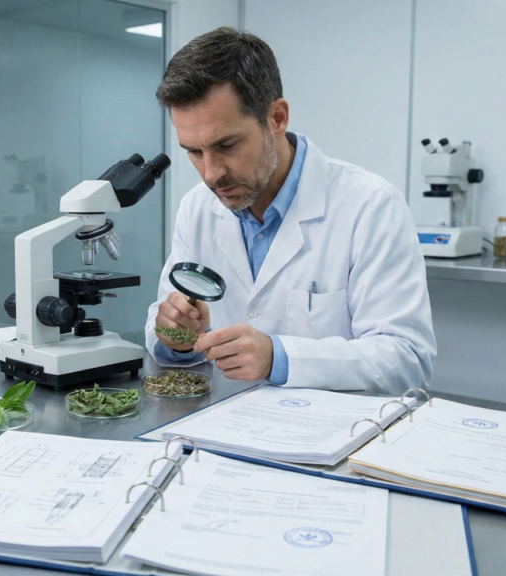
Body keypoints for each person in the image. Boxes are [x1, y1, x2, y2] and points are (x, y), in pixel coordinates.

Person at [144, 28, 436, 395]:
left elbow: (408, 360)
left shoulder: (370, 205)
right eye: (194, 151)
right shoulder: (197, 207)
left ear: (277, 118)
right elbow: (165, 332)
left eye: (227, 145)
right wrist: (177, 338)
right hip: (221, 428)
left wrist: (279, 357)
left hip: (331, 438)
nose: (211, 173)